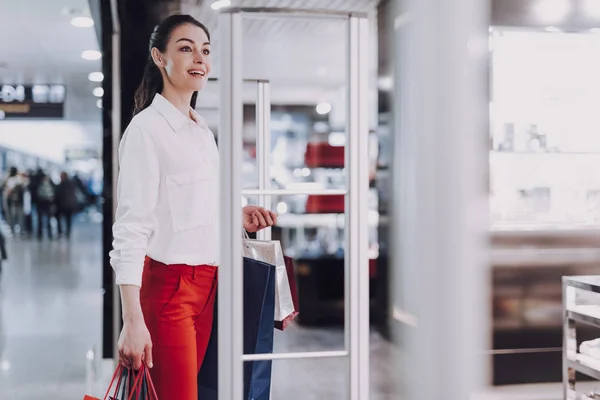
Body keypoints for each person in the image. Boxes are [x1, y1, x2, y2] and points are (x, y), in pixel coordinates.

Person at [109, 14, 277, 400]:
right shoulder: (146, 131)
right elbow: (131, 229)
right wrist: (131, 319)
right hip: (170, 291)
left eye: (205, 50)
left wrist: (236, 217)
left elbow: (190, 206)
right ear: (159, 57)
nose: (199, 58)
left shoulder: (202, 131)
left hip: (210, 288)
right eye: (185, 48)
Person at [55, 172, 79, 239]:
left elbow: (59, 194)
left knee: (62, 218)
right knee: (68, 219)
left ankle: (61, 232)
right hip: (70, 204)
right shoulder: (72, 183)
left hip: (63, 205)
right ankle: (68, 232)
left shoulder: (61, 185)